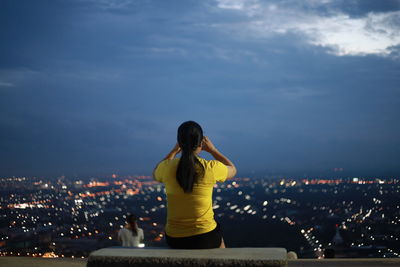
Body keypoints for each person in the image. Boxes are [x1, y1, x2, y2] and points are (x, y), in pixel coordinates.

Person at [153, 121, 236, 249]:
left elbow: (156, 172)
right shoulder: (209, 168)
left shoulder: (167, 167)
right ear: (201, 144)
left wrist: (174, 151)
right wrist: (213, 150)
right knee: (220, 243)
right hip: (205, 237)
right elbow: (232, 169)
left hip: (175, 239)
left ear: (179, 143)